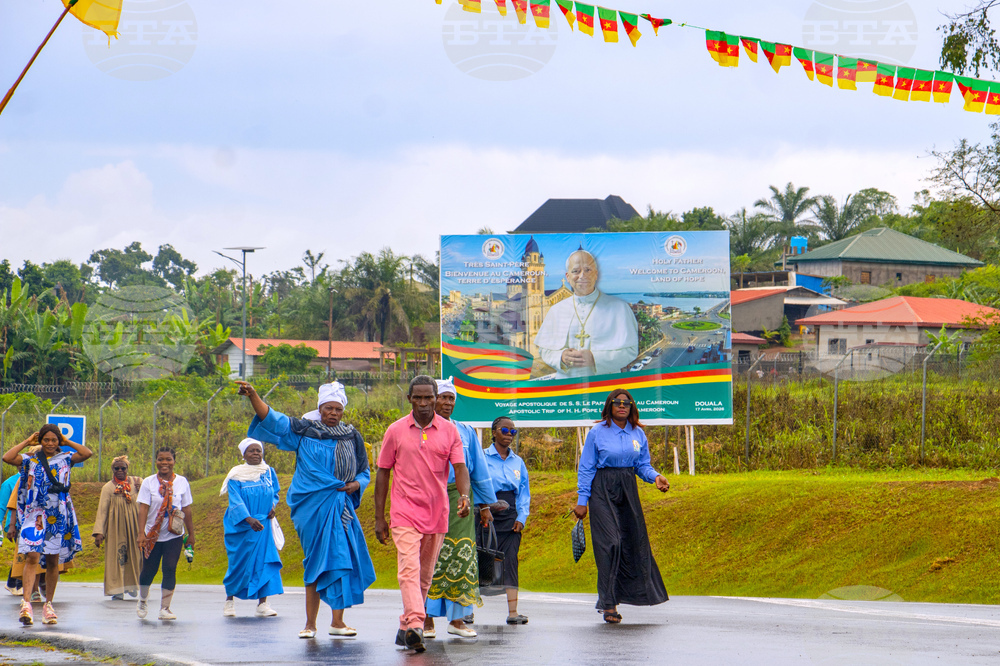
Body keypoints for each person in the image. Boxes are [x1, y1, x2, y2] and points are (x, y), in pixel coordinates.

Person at [239, 380, 375, 639]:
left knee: (340, 559)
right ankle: (310, 624)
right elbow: (273, 419)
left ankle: (338, 622)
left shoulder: (351, 435)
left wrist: (357, 483)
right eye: (328, 408)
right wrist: (253, 395)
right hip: (311, 508)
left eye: (338, 409)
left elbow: (364, 471)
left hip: (340, 506)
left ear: (343, 410)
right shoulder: (304, 431)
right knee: (315, 560)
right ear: (320, 408)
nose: (333, 413)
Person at [374, 375, 471, 653]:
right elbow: (383, 472)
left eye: (429, 397)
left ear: (436, 398)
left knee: (425, 576)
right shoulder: (395, 430)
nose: (424, 403)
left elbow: (460, 467)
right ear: (409, 400)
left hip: (437, 512)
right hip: (404, 511)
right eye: (418, 397)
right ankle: (417, 623)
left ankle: (405, 628)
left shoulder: (450, 432)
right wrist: (380, 517)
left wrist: (464, 496)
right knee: (408, 569)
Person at [573, 388, 670, 624]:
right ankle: (608, 604)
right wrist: (581, 500)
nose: (622, 406)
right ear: (609, 406)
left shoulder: (638, 434)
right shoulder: (597, 432)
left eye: (627, 403)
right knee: (611, 543)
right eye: (617, 402)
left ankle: (624, 596)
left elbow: (642, 466)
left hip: (628, 489)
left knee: (630, 543)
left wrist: (656, 477)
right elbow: (586, 467)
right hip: (602, 489)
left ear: (632, 407)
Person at [424, 377, 498, 639]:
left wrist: (486, 505)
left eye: (451, 398)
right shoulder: (421, 429)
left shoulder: (465, 431)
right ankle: (426, 620)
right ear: (432, 400)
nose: (446, 402)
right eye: (442, 397)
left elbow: (477, 469)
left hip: (459, 501)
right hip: (428, 498)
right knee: (429, 557)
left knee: (461, 556)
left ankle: (457, 620)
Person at [1, 425, 90, 626]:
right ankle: (26, 604)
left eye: (54, 440)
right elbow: (7, 457)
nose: (50, 443)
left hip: (57, 514)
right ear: (40, 440)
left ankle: (48, 605)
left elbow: (87, 453)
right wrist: (26, 442)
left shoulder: (66, 458)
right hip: (34, 514)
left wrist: (66, 441)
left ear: (58, 441)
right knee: (32, 556)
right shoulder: (29, 460)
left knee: (52, 560)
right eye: (46, 440)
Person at [533, 249, 639, 378]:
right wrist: (561, 357)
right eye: (575, 271)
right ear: (568, 277)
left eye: (588, 270)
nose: (582, 276)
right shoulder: (556, 310)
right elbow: (544, 349)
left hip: (604, 386)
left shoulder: (619, 308)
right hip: (566, 387)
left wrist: (596, 359)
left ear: (596, 274)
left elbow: (631, 350)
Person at [221, 437, 283, 618]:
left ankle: (263, 604)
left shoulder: (269, 472)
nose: (256, 454)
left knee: (264, 561)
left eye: (259, 450)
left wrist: (272, 507)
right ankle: (229, 601)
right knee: (238, 563)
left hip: (262, 525)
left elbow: (275, 493)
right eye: (252, 450)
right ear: (243, 454)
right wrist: (248, 519)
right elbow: (235, 500)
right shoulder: (235, 475)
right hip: (241, 527)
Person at [479, 416, 531, 624]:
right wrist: (483, 507)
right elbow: (476, 484)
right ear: (493, 432)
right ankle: (466, 611)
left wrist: (522, 517)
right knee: (480, 560)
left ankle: (513, 612)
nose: (509, 435)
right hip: (486, 513)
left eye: (513, 432)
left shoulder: (518, 462)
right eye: (504, 430)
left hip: (510, 516)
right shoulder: (482, 457)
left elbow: (524, 493)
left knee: (511, 562)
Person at [136, 446, 196, 621]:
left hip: (174, 534)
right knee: (149, 570)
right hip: (152, 535)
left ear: (174, 461)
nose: (164, 463)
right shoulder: (148, 482)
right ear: (155, 461)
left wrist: (191, 534)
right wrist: (141, 533)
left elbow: (187, 509)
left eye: (168, 459)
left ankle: (165, 608)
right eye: (161, 459)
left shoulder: (182, 482)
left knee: (170, 568)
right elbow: (143, 508)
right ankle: (142, 600)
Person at [92, 455, 143, 600]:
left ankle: (132, 586)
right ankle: (117, 590)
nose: (120, 471)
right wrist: (99, 533)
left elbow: (148, 499)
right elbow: (102, 510)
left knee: (135, 556)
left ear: (127, 468)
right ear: (112, 469)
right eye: (117, 468)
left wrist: (141, 489)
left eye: (123, 468)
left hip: (134, 525)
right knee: (116, 557)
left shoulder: (138, 482)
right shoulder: (108, 488)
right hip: (115, 526)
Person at [1, 472, 22, 596]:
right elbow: (2, 507)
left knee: (26, 553)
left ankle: (11, 583)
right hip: (16, 524)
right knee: (23, 552)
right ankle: (19, 585)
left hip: (33, 521)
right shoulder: (9, 483)